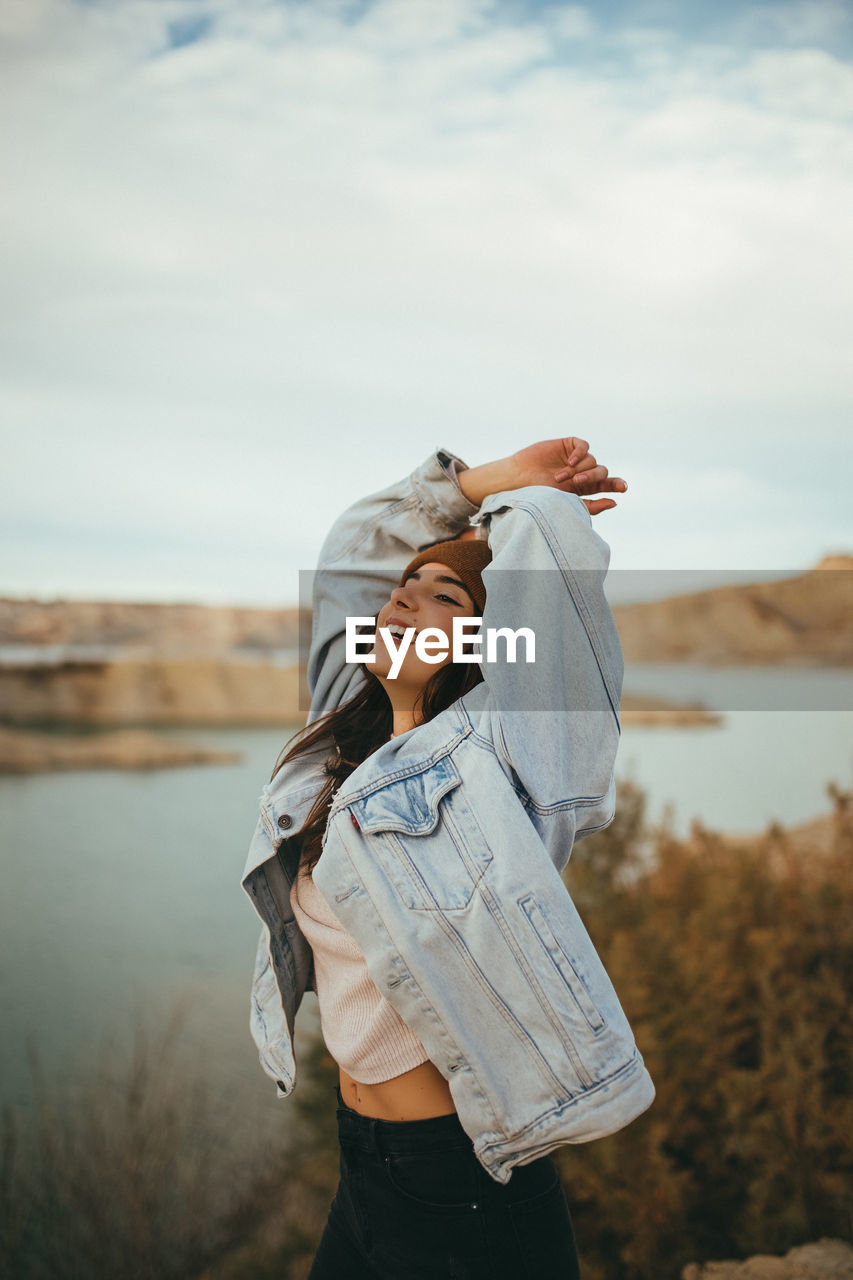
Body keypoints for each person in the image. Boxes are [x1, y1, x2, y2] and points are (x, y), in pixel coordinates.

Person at [241, 439, 655, 1279]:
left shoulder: (514, 765)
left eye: (444, 598)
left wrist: (533, 502)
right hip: (362, 1161)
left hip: (463, 1184)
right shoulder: (339, 737)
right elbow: (354, 547)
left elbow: (552, 555)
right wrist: (485, 480)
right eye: (403, 591)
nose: (402, 604)